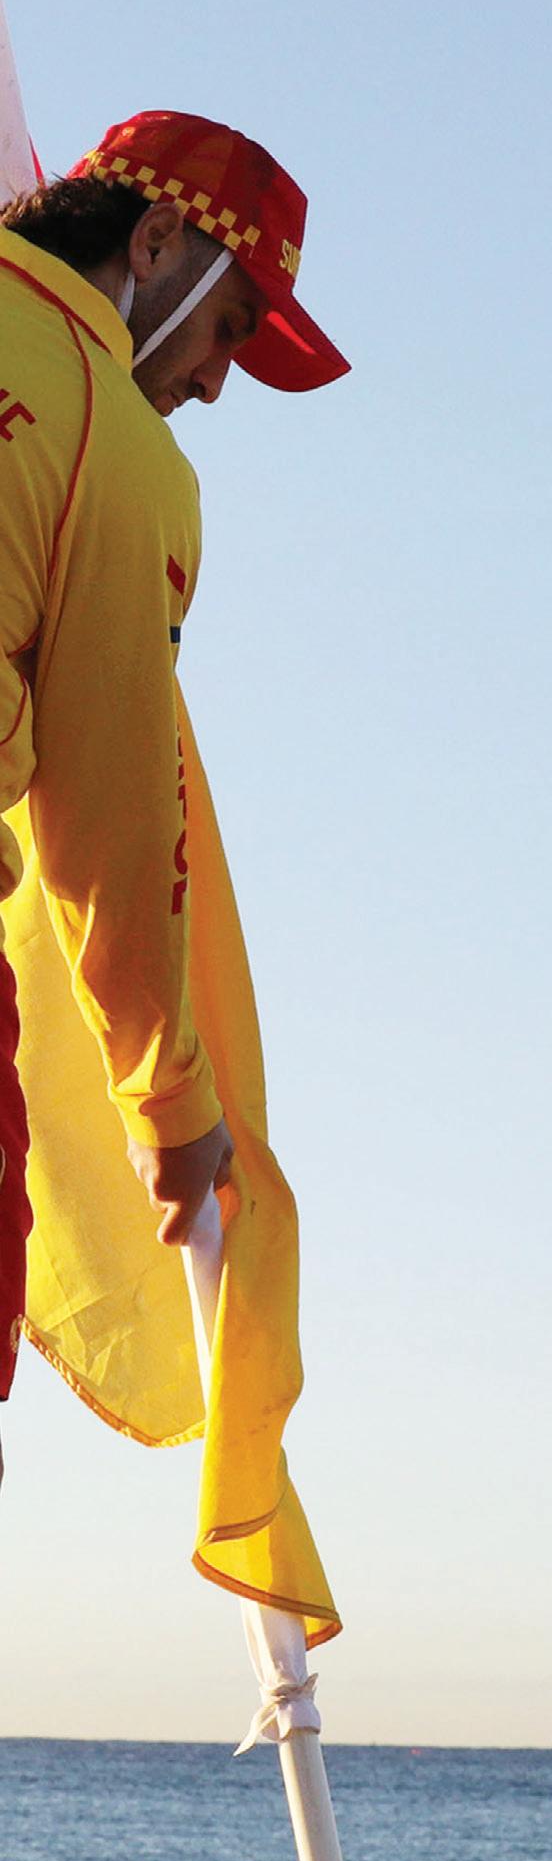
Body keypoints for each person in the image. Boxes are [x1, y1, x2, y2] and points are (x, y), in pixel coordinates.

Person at [0, 112, 347, 1403]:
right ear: (153, 240)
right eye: (228, 330)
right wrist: (174, 1105)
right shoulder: (120, 446)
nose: (213, 386)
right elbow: (117, 817)